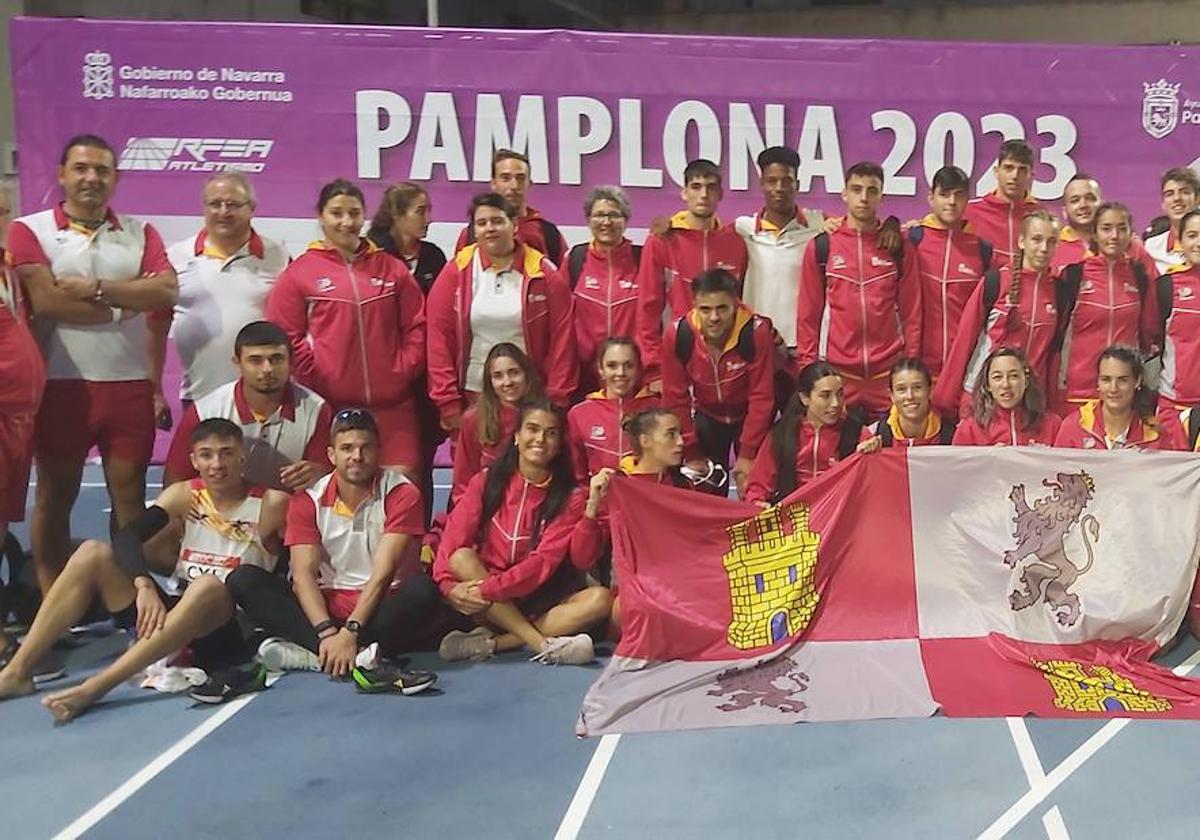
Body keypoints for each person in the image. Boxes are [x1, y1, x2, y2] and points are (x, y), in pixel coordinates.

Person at [0, 419, 288, 720]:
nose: (217, 464)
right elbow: (128, 537)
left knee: (207, 585)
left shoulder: (272, 503)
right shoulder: (184, 495)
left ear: (242, 457)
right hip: (176, 612)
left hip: (225, 628)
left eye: (226, 453)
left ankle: (95, 687)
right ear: (194, 460)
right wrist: (144, 584)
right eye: (206, 455)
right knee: (91, 553)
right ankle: (17, 671)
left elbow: (305, 563)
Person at [6, 135, 178, 594]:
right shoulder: (30, 228)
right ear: (62, 174)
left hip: (129, 387)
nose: (91, 178)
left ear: (115, 179)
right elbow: (46, 300)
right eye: (81, 169)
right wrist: (125, 304)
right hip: (62, 387)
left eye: (102, 170)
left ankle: (131, 597)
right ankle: (52, 599)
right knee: (55, 497)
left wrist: (97, 289)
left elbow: (165, 292)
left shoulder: (141, 231)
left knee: (129, 503)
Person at [226, 409, 439, 692]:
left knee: (424, 591)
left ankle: (314, 654)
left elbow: (384, 573)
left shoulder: (403, 494)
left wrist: (352, 631)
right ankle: (359, 658)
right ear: (331, 455)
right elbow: (303, 576)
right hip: (326, 609)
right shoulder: (307, 500)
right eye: (347, 448)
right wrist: (327, 632)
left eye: (365, 448)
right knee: (243, 579)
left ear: (379, 451)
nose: (356, 457)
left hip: (379, 607)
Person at [266, 179, 426, 478]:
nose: (346, 222)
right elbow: (286, 334)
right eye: (336, 213)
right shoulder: (300, 273)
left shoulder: (391, 269)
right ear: (320, 216)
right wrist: (317, 374)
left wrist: (403, 369)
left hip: (393, 408)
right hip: (330, 410)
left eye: (354, 213)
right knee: (339, 499)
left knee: (402, 493)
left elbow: (417, 325)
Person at [433, 399, 611, 665]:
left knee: (600, 599)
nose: (540, 439)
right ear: (516, 436)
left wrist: (487, 589)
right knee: (461, 558)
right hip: (490, 605)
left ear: (559, 444)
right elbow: (452, 541)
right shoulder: (485, 482)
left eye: (551, 433)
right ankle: (543, 644)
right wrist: (448, 587)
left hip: (537, 596)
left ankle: (492, 644)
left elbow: (542, 563)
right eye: (532, 429)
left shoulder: (571, 497)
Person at [426, 192, 576, 433]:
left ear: (514, 225)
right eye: (482, 223)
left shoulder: (544, 273)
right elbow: (438, 338)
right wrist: (448, 402)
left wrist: (556, 400)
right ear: (473, 231)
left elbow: (563, 341)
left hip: (531, 398)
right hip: (473, 396)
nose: (490, 229)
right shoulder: (456, 271)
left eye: (497, 221)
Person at [150, 172, 289, 429]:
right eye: (215, 204)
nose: (223, 212)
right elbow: (155, 327)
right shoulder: (175, 257)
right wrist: (155, 391)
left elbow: (294, 329)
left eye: (234, 204)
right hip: (200, 397)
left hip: (266, 398)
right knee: (205, 470)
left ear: (252, 209)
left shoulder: (279, 257)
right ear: (204, 208)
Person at [796, 160, 920, 417]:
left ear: (882, 197)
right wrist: (808, 369)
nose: (864, 197)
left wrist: (910, 364)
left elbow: (912, 312)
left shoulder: (898, 247)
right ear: (844, 194)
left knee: (889, 453)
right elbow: (808, 316)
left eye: (872, 190)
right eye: (856, 189)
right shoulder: (822, 247)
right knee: (839, 453)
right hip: (839, 376)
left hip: (887, 374)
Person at [164, 321, 332, 491]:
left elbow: (329, 483)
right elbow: (176, 480)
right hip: (218, 514)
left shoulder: (316, 410)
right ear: (237, 362)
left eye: (276, 359)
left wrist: (322, 474)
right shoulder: (205, 411)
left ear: (291, 361)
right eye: (255, 360)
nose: (267, 369)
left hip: (288, 512)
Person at [366, 181, 450, 525]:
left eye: (428, 210)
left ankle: (420, 542)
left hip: (422, 383)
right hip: (382, 382)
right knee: (370, 462)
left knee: (421, 464)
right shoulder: (372, 256)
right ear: (397, 215)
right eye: (420, 211)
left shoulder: (433, 257)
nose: (428, 218)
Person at [932, 210, 1063, 419]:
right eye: (1036, 239)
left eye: (1051, 241)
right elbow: (965, 339)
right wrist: (945, 396)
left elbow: (1053, 357)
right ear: (1021, 241)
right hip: (983, 399)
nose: (1044, 248)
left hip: (1028, 406)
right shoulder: (997, 281)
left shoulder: (1059, 291)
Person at [661, 268, 775, 497]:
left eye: (722, 308)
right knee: (707, 494)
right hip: (708, 416)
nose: (714, 317)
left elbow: (762, 396)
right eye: (705, 309)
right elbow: (675, 398)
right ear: (694, 305)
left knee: (752, 488)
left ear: (735, 303)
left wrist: (748, 454)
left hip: (748, 416)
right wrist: (691, 451)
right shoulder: (678, 333)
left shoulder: (756, 332)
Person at [572, 408, 692, 623]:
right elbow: (582, 558)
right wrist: (592, 507)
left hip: (677, 586)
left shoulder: (683, 486)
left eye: (680, 433)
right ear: (645, 441)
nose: (681, 442)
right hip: (631, 592)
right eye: (671, 434)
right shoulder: (617, 487)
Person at [636, 159, 748, 381]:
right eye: (696, 187)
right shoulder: (661, 241)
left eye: (711, 187)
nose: (704, 194)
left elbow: (742, 303)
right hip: (679, 355)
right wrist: (655, 368)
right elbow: (647, 310)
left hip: (727, 360)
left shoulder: (737, 242)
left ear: (721, 194)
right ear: (684, 193)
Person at [1052, 202, 1158, 414]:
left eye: (1122, 228)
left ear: (1130, 233)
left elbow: (1148, 337)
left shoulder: (1140, 277)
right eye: (1107, 228)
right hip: (1076, 393)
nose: (1114, 235)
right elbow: (1056, 336)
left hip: (1123, 394)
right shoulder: (1073, 276)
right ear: (1094, 233)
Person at [735, 147, 826, 367]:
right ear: (761, 184)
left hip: (804, 350)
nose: (779, 188)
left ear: (798, 184)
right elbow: (706, 231)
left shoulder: (820, 225)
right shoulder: (741, 229)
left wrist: (892, 223)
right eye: (771, 180)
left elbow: (860, 228)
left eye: (786, 180)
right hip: (757, 346)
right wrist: (669, 225)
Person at [743, 362, 878, 506]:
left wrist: (870, 457)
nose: (835, 403)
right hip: (794, 519)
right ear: (804, 398)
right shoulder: (781, 435)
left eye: (840, 394)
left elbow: (876, 485)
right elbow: (757, 487)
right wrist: (757, 502)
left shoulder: (858, 433)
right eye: (825, 396)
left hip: (840, 515)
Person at [909, 165, 993, 379]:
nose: (951, 202)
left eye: (959, 195)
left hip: (963, 370)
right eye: (944, 195)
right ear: (931, 197)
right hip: (918, 370)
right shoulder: (912, 240)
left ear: (967, 199)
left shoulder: (982, 250)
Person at [567, 186, 642, 395]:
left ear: (625, 220)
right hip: (585, 373)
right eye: (599, 215)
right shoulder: (575, 259)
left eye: (614, 215)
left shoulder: (643, 258)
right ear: (589, 220)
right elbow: (561, 319)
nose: (606, 222)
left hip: (631, 372)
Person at [451, 342, 545, 505]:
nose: (507, 382)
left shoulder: (546, 415)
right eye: (498, 376)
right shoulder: (474, 419)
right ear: (490, 382)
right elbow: (463, 482)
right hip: (488, 508)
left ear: (526, 374)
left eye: (514, 372)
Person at [567, 337, 658, 482]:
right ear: (601, 370)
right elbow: (577, 474)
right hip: (601, 499)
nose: (620, 373)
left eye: (628, 365)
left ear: (639, 368)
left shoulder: (658, 409)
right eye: (612, 365)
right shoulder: (579, 414)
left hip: (647, 498)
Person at [1055, 345, 1180, 450]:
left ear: (1137, 381)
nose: (1113, 388)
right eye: (1106, 380)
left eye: (1122, 380)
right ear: (1098, 382)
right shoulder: (1074, 426)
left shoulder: (1155, 434)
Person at [453, 149, 567, 265]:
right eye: (505, 178)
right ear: (494, 184)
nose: (514, 185)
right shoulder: (472, 234)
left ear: (530, 184)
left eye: (520, 178)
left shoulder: (549, 234)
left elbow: (563, 280)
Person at [951, 347, 1061, 446]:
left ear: (1026, 381)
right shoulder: (969, 429)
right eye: (997, 377)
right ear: (987, 384)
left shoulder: (1052, 425)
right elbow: (957, 467)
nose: (1006, 385)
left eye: (1014, 376)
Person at [1152, 208, 1200, 426]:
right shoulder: (1166, 286)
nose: (1199, 242)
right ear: (1180, 240)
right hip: (1175, 407)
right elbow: (1150, 343)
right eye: (1192, 235)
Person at [963, 138, 1041, 268]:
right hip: (983, 288)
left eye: (1022, 170)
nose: (1015, 176)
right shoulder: (969, 213)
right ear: (996, 171)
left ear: (1031, 175)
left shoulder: (1042, 217)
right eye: (1008, 168)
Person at [875, 358, 957, 446]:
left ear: (930, 391)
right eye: (901, 389)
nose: (910, 396)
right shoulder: (875, 434)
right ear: (892, 395)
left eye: (917, 387)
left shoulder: (952, 436)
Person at [1144, 167, 1200, 276]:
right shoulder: (1151, 247)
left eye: (1185, 192)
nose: (1177, 198)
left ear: (1198, 199)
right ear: (1163, 203)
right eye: (1169, 194)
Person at [1052, 173, 1102, 272]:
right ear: (1064, 211)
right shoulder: (1051, 247)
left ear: (1102, 205)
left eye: (1090, 198)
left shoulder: (1120, 243)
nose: (1083, 205)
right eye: (1075, 200)